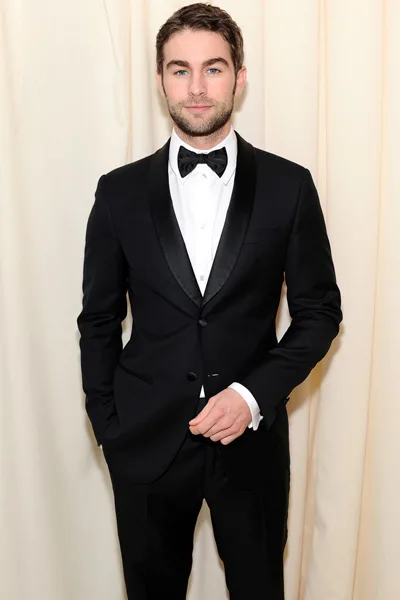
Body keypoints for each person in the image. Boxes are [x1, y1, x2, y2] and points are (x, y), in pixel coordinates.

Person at [77, 3, 342, 599]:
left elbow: (320, 313)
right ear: (160, 80)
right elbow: (98, 320)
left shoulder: (289, 186)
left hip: (252, 447)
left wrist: (252, 396)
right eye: (180, 70)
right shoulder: (118, 192)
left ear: (239, 78)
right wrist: (109, 427)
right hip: (144, 443)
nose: (196, 88)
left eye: (213, 68)